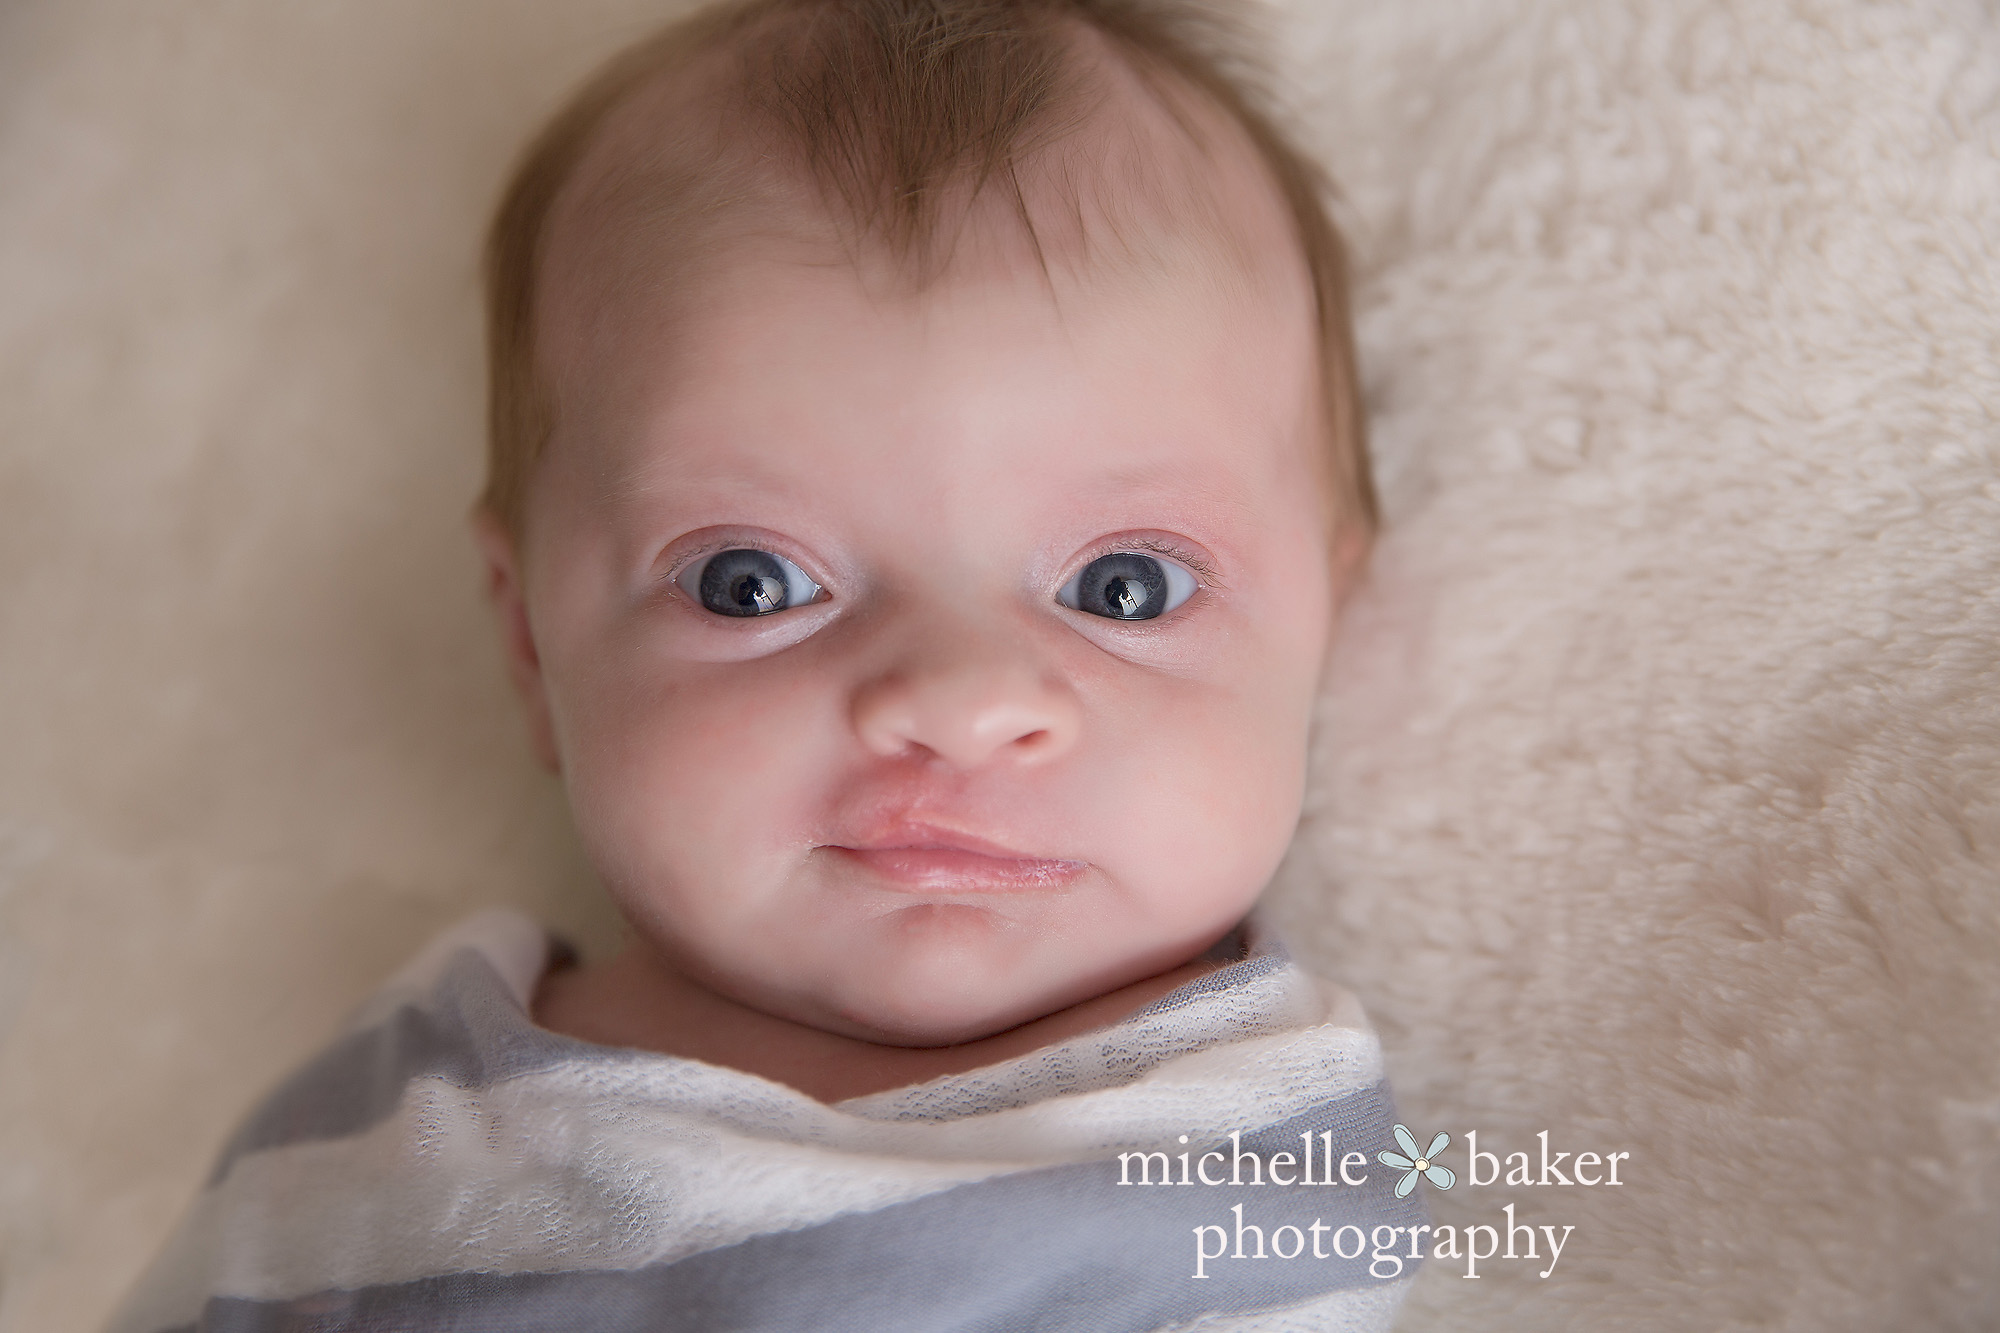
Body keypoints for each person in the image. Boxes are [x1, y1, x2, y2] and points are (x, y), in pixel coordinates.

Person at [110, 2, 1430, 1328]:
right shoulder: (392, 1120)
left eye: (1123, 587)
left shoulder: (1256, 1159)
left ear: (1321, 620)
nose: (958, 704)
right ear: (528, 640)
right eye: (754, 583)